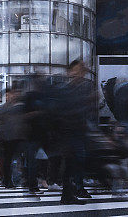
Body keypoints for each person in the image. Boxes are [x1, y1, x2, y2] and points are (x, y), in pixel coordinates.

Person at [56, 60, 94, 205]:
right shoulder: (65, 89)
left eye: (81, 70)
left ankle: (71, 192)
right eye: (76, 70)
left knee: (77, 160)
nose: (79, 73)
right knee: (74, 160)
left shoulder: (84, 86)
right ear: (70, 72)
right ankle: (70, 192)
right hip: (67, 130)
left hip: (79, 128)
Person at [0, 86, 27, 189]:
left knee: (18, 159)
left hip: (19, 137)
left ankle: (16, 179)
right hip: (6, 138)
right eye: (8, 95)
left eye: (12, 94)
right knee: (8, 160)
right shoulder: (2, 108)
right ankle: (7, 180)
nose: (11, 96)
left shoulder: (21, 107)